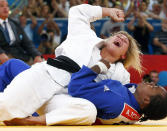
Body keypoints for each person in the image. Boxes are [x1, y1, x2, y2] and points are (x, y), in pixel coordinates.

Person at [0, 4, 142, 125]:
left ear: (124, 55)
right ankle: (25, 110)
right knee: (5, 108)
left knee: (89, 111)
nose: (121, 37)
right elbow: (77, 11)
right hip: (44, 78)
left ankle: (33, 120)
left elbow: (123, 104)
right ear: (108, 39)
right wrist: (108, 11)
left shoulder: (120, 75)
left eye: (125, 41)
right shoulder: (85, 36)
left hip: (65, 98)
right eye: (118, 35)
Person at [2, 58, 167, 125]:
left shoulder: (117, 101)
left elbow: (77, 86)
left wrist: (101, 64)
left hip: (61, 98)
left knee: (12, 66)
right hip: (63, 100)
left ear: (147, 101)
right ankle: (29, 111)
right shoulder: (133, 110)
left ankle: (34, 119)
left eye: (154, 88)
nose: (151, 83)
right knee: (14, 67)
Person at [0, 0, 43, 64]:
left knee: (42, 65)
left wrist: (36, 55)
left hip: (19, 55)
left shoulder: (14, 23)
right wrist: (1, 53)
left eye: (7, 6)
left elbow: (27, 42)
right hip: (4, 55)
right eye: (1, 6)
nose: (5, 8)